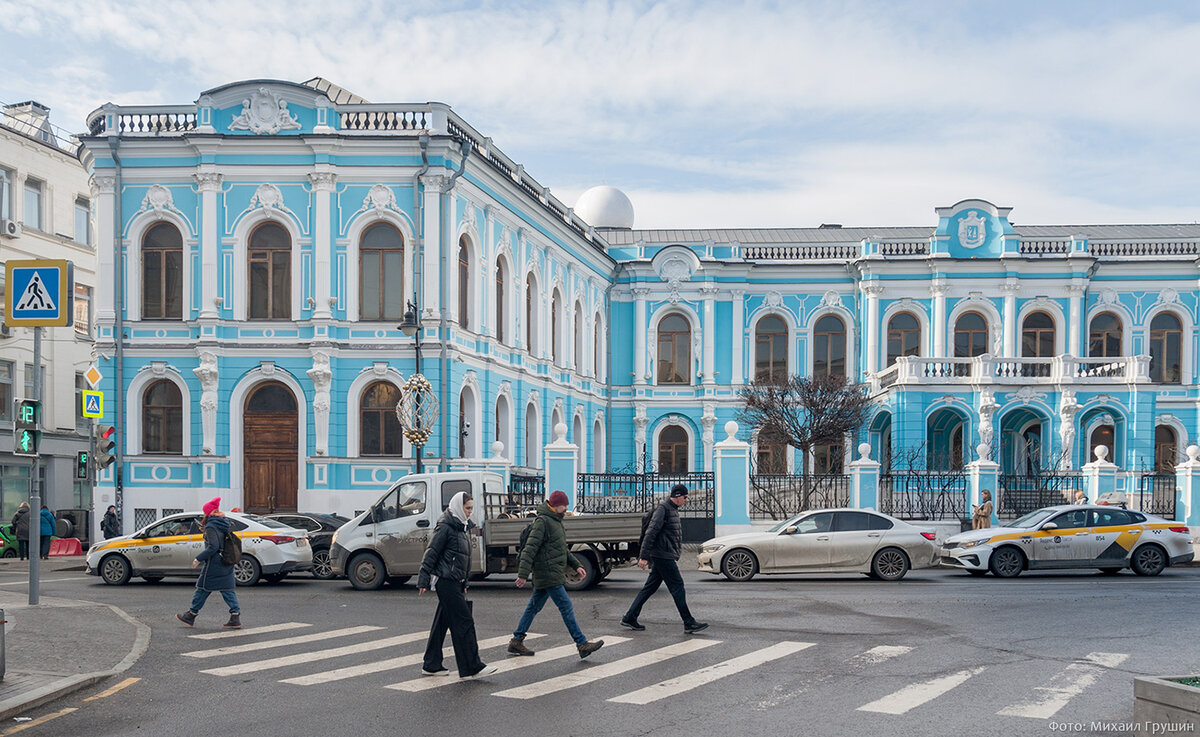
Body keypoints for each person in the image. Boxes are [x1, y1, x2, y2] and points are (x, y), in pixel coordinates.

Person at [508, 490, 604, 659]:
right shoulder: (543, 522)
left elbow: (563, 550)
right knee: (565, 606)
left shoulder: (556, 521)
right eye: (564, 505)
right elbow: (530, 549)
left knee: (533, 607)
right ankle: (581, 643)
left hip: (550, 572)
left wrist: (577, 565)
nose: (566, 508)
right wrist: (522, 574)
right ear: (556, 505)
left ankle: (516, 641)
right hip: (548, 573)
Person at [417, 491, 495, 679]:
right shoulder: (446, 526)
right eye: (467, 508)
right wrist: (423, 578)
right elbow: (432, 552)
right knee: (464, 621)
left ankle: (431, 664)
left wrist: (465, 581)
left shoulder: (462, 526)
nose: (469, 512)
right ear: (458, 507)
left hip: (455, 581)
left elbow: (463, 559)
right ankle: (472, 667)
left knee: (442, 623)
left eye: (471, 509)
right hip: (446, 581)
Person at [622, 484, 707, 634]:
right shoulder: (663, 509)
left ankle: (629, 617)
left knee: (650, 588)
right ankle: (688, 622)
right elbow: (651, 532)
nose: (687, 500)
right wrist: (643, 556)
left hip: (664, 554)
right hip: (662, 555)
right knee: (678, 586)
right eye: (685, 497)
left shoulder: (671, 510)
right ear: (678, 496)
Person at [176, 497, 241, 629]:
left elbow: (213, 546)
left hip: (214, 563)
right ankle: (235, 615)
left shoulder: (211, 526)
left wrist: (198, 558)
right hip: (226, 560)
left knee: (202, 588)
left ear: (209, 513)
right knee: (227, 589)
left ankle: (191, 615)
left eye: (205, 512)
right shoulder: (223, 523)